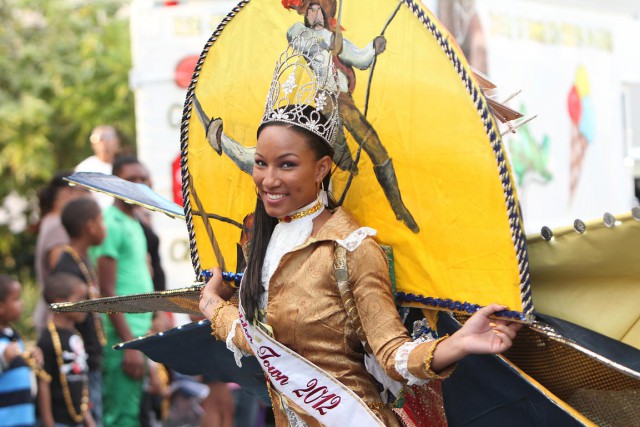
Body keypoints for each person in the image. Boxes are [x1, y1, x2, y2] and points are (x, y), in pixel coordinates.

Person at [199, 33, 521, 426]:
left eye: (286, 164)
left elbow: (391, 354)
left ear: (322, 169)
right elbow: (261, 340)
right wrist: (214, 306)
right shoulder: (263, 244)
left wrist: (457, 344)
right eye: (260, 163)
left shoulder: (350, 248)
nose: (268, 179)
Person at [287, 1, 420, 233]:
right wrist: (330, 41)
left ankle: (398, 207)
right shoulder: (301, 33)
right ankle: (329, 212)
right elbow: (300, 41)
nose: (315, 14)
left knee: (374, 146)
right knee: (333, 160)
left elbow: (360, 58)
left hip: (344, 100)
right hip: (322, 104)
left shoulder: (336, 38)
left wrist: (373, 47)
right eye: (311, 9)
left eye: (319, 9)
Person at [91, 155, 154, 427]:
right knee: (120, 417)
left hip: (139, 332)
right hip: (122, 336)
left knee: (134, 411)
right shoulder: (110, 224)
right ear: (115, 183)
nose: (138, 185)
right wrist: (129, 344)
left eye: (142, 179)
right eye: (131, 180)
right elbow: (106, 291)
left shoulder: (134, 220)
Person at [53, 197, 106, 427]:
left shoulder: (83, 259)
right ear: (90, 226)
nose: (104, 227)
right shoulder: (67, 266)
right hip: (80, 362)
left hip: (92, 358)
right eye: (101, 221)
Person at [37, 273, 95, 427]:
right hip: (58, 420)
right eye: (79, 299)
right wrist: (48, 423)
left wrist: (89, 420)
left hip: (79, 419)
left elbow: (81, 381)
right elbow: (44, 383)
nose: (85, 304)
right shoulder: (47, 339)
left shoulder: (76, 335)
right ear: (61, 302)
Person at [34, 172, 88, 332]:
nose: (88, 197)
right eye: (84, 190)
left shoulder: (51, 221)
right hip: (60, 321)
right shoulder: (58, 225)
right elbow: (63, 276)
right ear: (68, 192)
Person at [0, 275, 43, 427]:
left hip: (24, 419)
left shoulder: (14, 336)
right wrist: (3, 357)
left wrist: (31, 358)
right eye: (16, 299)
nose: (22, 303)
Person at [75, 125, 121, 210]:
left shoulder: (126, 167)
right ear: (92, 144)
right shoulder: (84, 169)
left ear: (117, 141)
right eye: (97, 138)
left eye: (108, 137)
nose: (103, 141)